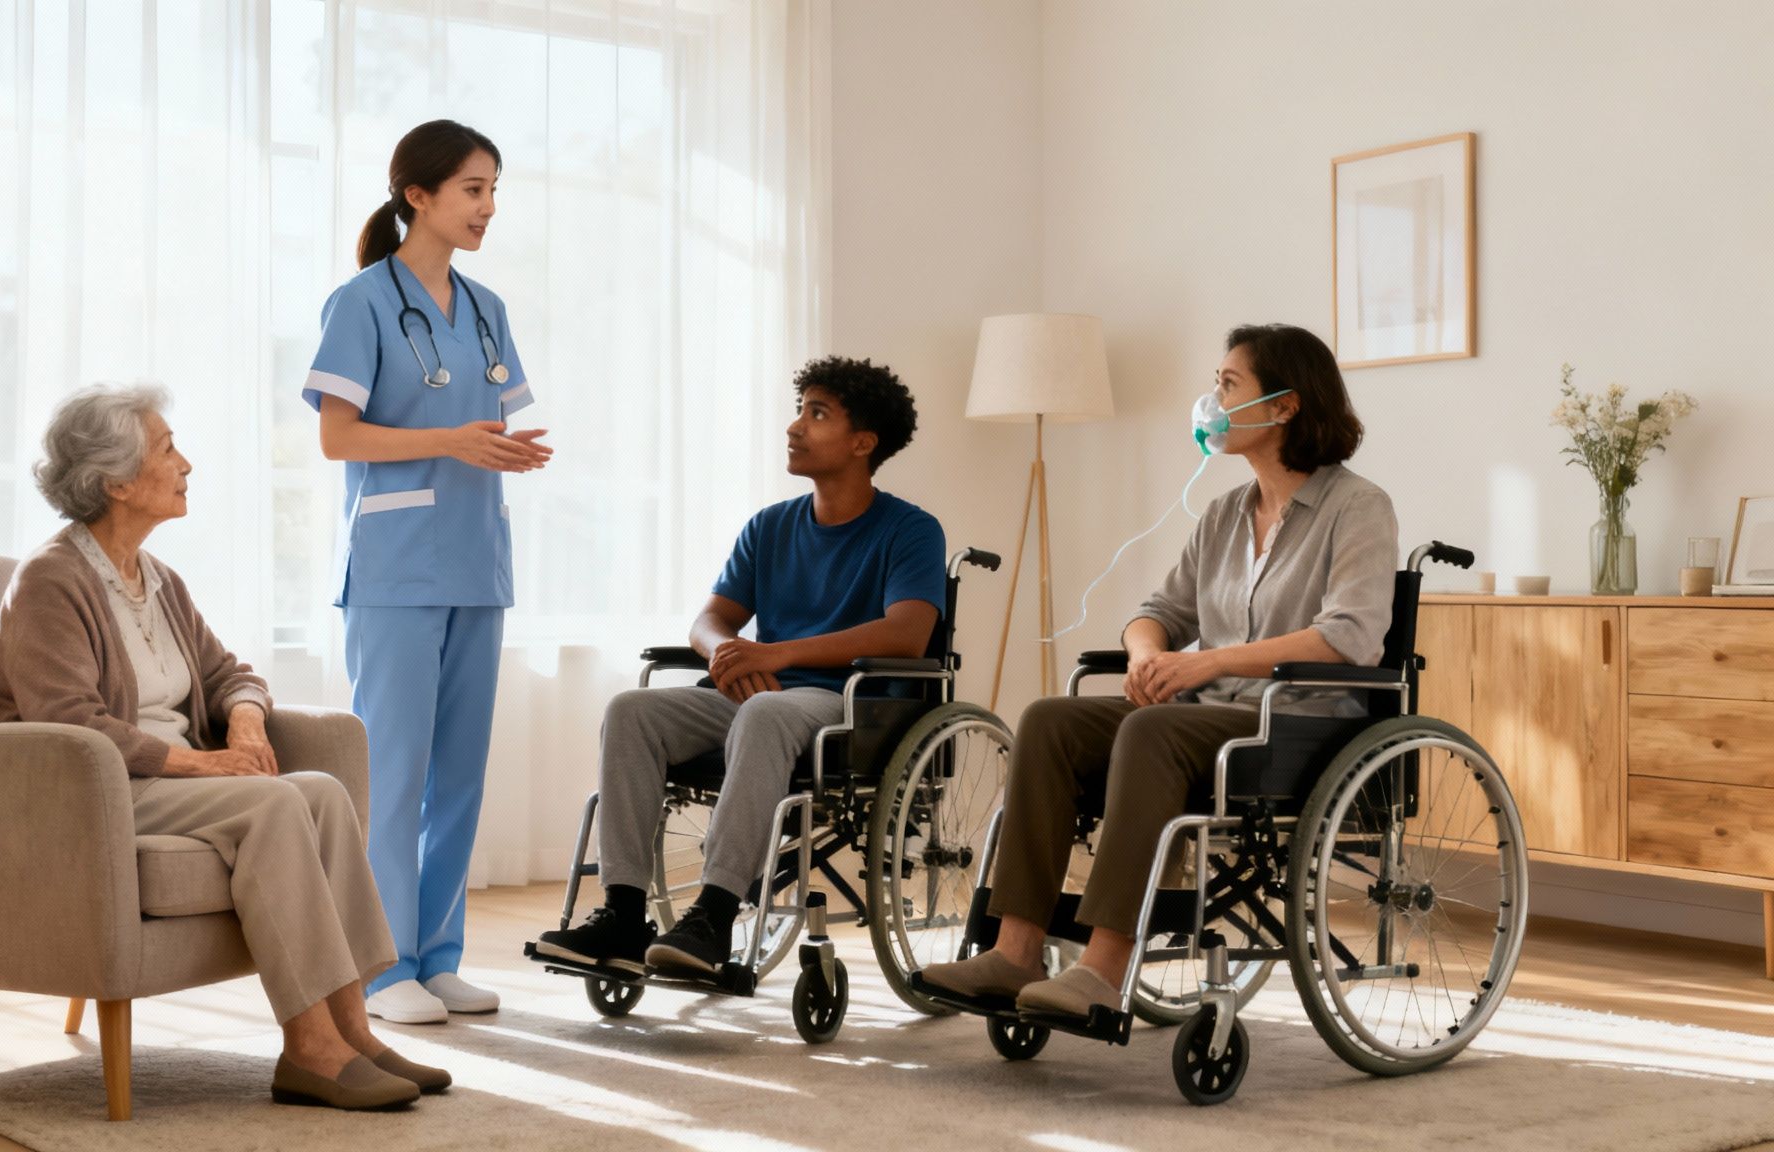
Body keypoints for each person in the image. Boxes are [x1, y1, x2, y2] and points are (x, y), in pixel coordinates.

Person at [0, 383, 448, 1111]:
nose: (187, 464)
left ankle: (354, 1030)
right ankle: (309, 1049)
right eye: (168, 450)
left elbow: (232, 674)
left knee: (321, 792)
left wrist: (246, 723)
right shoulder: (50, 581)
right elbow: (71, 723)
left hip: (169, 785)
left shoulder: (158, 580)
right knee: (272, 806)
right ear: (116, 482)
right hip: (92, 793)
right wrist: (205, 762)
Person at [917, 323, 1398, 1018]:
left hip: (1296, 724)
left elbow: (1348, 637)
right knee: (1049, 720)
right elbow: (1158, 613)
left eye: (1227, 385)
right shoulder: (1225, 514)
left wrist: (1204, 662)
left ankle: (1102, 970)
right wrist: (1147, 656)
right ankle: (1014, 952)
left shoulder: (1357, 507)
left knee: (1151, 730)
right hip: (1209, 717)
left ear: (1285, 405)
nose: (1212, 400)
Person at [533, 356, 946, 977]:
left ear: (863, 443)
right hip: (759, 696)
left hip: (845, 705)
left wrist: (777, 653)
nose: (794, 426)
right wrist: (725, 653)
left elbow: (908, 635)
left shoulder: (911, 530)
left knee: (765, 712)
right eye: (799, 410)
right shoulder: (770, 526)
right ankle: (622, 912)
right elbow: (709, 619)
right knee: (631, 710)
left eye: (817, 414)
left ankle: (715, 914)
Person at [301, 119, 550, 1026]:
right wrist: (450, 441)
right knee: (395, 774)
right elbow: (338, 438)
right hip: (396, 567)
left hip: (477, 560)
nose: (488, 208)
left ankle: (439, 959)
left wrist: (503, 451)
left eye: (494, 191)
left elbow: (487, 424)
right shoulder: (361, 302)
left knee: (459, 776)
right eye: (473, 190)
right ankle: (381, 969)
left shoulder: (487, 309)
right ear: (418, 195)